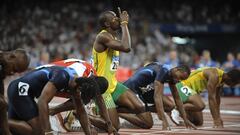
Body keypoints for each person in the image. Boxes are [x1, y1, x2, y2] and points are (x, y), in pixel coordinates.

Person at [90, 9, 153, 130]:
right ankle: (79, 115)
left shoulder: (113, 37)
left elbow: (125, 45)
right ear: (107, 24)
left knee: (147, 121)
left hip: (114, 85)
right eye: (115, 18)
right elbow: (126, 47)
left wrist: (123, 25)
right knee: (114, 127)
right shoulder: (103, 36)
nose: (118, 19)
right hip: (102, 88)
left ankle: (115, 111)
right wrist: (124, 24)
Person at [7, 60, 109, 135]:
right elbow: (42, 101)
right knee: (38, 131)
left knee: (11, 130)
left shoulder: (77, 86)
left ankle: (4, 122)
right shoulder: (62, 76)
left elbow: (81, 111)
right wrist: (48, 131)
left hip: (25, 93)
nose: (78, 94)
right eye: (79, 92)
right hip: (20, 89)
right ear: (81, 87)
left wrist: (88, 133)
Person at [47, 59, 117, 134]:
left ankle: (52, 111)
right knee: (81, 100)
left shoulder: (93, 76)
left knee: (83, 98)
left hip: (55, 75)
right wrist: (89, 126)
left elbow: (100, 99)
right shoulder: (78, 74)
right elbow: (79, 104)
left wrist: (109, 123)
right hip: (47, 79)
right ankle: (50, 111)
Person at [124, 62, 196, 130]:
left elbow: (177, 98)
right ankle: (120, 112)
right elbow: (157, 97)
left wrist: (185, 119)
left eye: (181, 80)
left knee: (170, 105)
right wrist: (163, 119)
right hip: (132, 89)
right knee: (148, 124)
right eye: (180, 77)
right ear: (176, 69)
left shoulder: (172, 75)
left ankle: (141, 111)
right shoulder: (164, 71)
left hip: (145, 90)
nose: (178, 80)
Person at [174, 67, 240, 128]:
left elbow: (217, 100)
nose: (232, 86)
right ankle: (176, 109)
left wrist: (219, 117)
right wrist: (216, 120)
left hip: (191, 91)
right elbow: (211, 98)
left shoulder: (221, 79)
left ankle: (182, 114)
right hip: (182, 85)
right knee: (201, 105)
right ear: (230, 79)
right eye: (235, 84)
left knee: (198, 122)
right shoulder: (214, 76)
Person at [0, 49, 30, 135]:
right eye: (13, 68)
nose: (12, 73)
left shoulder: (3, 69)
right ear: (11, 57)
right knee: (2, 103)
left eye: (16, 72)